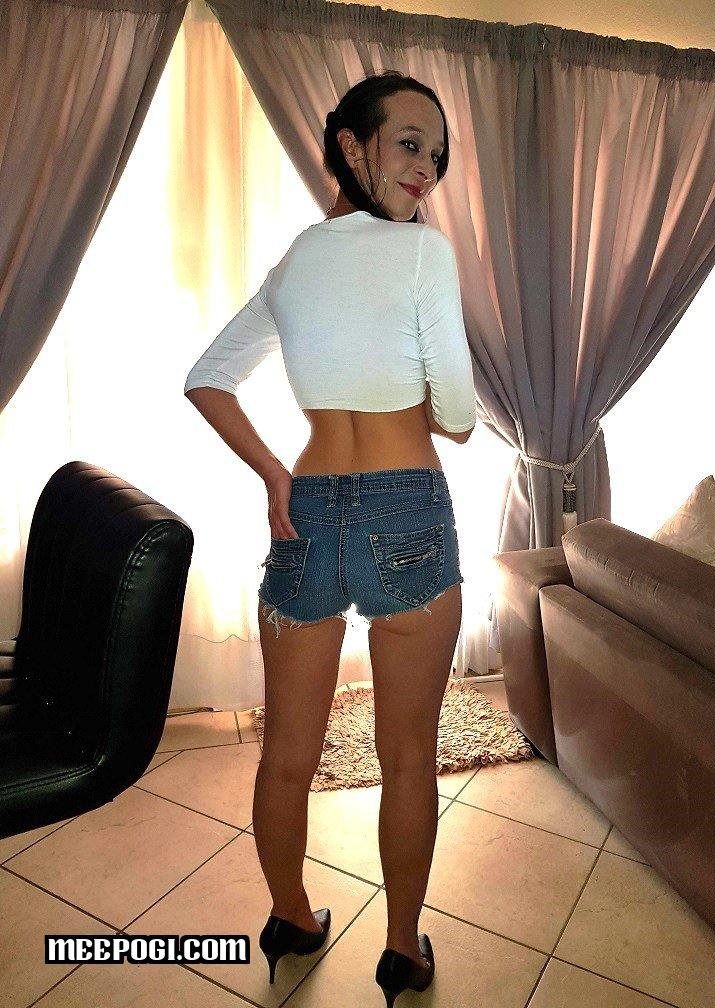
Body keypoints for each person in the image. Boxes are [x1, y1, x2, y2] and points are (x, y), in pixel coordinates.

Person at [184, 70, 476, 1005]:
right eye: (408, 143)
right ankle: (400, 951)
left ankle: (291, 920)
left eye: (437, 154)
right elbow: (460, 417)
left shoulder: (296, 262)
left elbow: (206, 378)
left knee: (286, 755)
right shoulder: (423, 254)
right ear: (351, 147)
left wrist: (275, 473)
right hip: (407, 511)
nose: (426, 167)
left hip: (306, 509)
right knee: (408, 757)